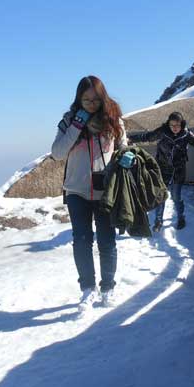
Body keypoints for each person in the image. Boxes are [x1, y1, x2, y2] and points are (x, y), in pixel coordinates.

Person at [51, 76, 128, 310]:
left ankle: (108, 288)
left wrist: (126, 155)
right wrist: (77, 125)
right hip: (77, 190)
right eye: (85, 100)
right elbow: (57, 153)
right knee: (82, 242)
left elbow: (123, 144)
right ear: (78, 99)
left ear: (102, 97)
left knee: (107, 241)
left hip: (106, 191)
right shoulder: (68, 122)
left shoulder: (114, 120)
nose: (90, 104)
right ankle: (87, 289)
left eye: (95, 100)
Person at [128, 111, 194, 232]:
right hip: (162, 169)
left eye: (178, 125)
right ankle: (158, 221)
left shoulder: (186, 134)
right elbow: (147, 136)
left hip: (178, 170)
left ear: (182, 124)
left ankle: (181, 217)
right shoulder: (163, 132)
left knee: (176, 197)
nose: (175, 128)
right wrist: (130, 138)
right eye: (172, 125)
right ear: (168, 124)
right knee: (160, 196)